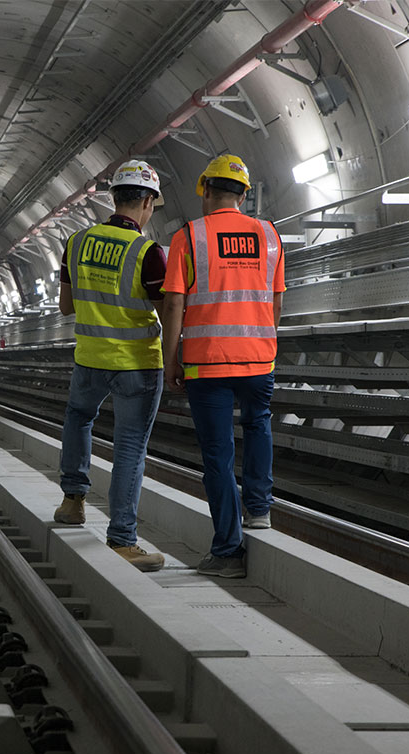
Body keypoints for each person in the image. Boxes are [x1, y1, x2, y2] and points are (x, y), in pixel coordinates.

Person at [160, 154, 285, 579]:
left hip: (206, 360)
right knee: (258, 425)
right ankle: (260, 510)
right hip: (258, 357)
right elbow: (276, 299)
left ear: (206, 191)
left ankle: (228, 551)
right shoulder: (269, 236)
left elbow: (174, 301)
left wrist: (169, 358)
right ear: (245, 194)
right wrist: (262, 340)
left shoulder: (189, 236)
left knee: (217, 452)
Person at [53, 159, 168, 572]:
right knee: (130, 446)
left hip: (89, 358)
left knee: (78, 419)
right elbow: (165, 313)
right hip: (137, 364)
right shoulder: (148, 253)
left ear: (114, 197)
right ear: (148, 202)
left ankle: (72, 501)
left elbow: (67, 307)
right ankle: (122, 539)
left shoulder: (77, 242)